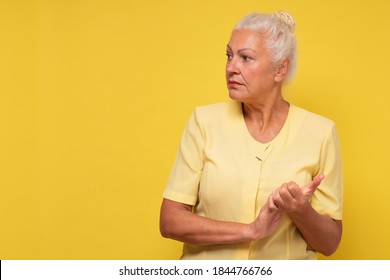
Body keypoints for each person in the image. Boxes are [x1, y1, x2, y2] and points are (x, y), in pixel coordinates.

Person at [159, 11, 343, 260]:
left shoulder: (320, 132)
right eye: (229, 56)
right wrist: (250, 230)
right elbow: (170, 221)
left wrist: (300, 210)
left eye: (246, 58)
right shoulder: (204, 122)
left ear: (280, 69)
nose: (231, 68)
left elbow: (330, 243)